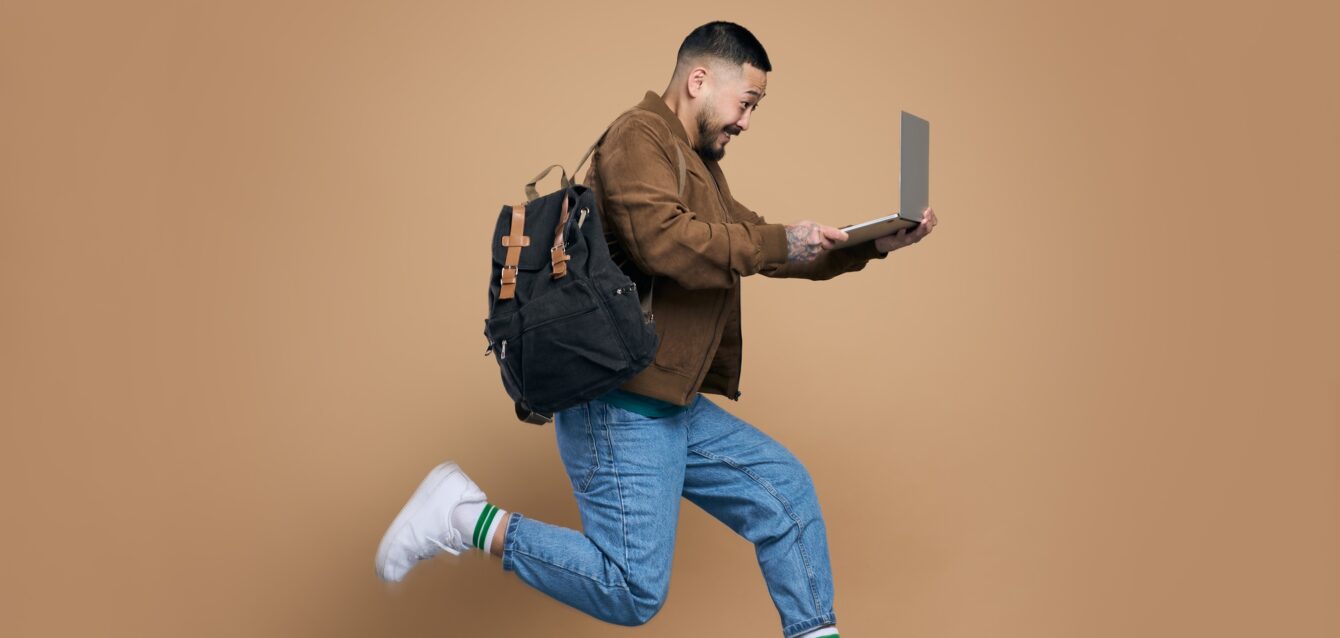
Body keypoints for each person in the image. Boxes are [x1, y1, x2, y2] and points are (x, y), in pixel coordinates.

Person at [375, 21, 937, 638]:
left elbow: (759, 246)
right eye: (746, 102)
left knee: (785, 495)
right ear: (699, 80)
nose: (747, 121)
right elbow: (666, 243)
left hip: (670, 401)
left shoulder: (695, 163)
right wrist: (780, 239)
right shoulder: (637, 138)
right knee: (632, 589)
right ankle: (464, 516)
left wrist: (869, 245)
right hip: (620, 404)